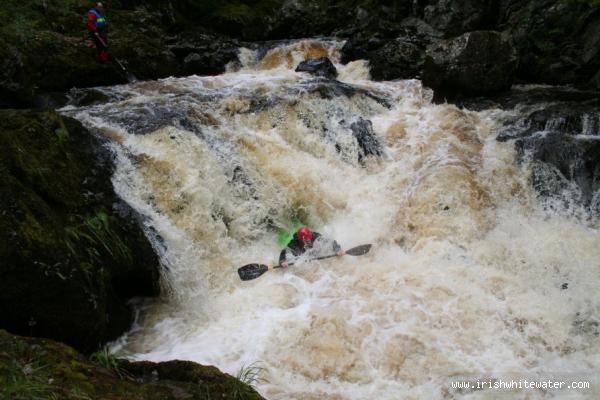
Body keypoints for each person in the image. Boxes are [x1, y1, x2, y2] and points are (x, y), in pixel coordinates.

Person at [279, 226, 345, 267]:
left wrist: (338, 250)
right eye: (305, 241)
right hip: (302, 253)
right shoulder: (295, 242)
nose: (308, 242)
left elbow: (330, 241)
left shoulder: (316, 236)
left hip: (314, 252)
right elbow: (285, 250)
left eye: (308, 239)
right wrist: (282, 261)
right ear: (300, 240)